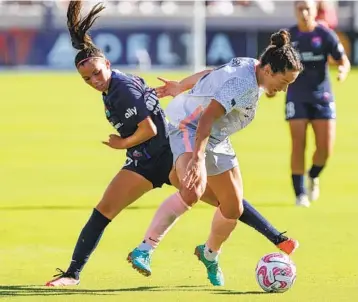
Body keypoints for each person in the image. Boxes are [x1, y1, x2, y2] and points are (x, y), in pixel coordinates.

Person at [45, 1, 298, 287]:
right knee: (123, 206)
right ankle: (79, 272)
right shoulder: (116, 87)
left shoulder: (123, 89)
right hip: (154, 153)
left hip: (166, 149)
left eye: (96, 73)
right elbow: (212, 78)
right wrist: (181, 88)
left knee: (222, 200)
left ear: (108, 64)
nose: (93, 81)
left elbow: (150, 127)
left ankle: (179, 252)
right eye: (86, 78)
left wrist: (123, 143)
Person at [128, 30, 303, 286]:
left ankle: (209, 253)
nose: (285, 89)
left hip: (217, 138)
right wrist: (197, 159)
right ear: (268, 70)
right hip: (189, 127)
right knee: (192, 189)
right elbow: (207, 118)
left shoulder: (250, 64)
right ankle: (145, 249)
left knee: (233, 208)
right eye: (285, 81)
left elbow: (210, 73)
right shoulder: (244, 84)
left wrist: (181, 85)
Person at [273, 0, 350, 207]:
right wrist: (269, 86)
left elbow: (343, 60)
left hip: (322, 97)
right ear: (295, 11)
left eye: (308, 8)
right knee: (298, 144)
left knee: (325, 149)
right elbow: (270, 62)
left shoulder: (325, 35)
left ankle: (313, 175)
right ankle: (300, 194)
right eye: (300, 9)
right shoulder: (287, 37)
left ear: (316, 11)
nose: (304, 12)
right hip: (296, 96)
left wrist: (343, 70)